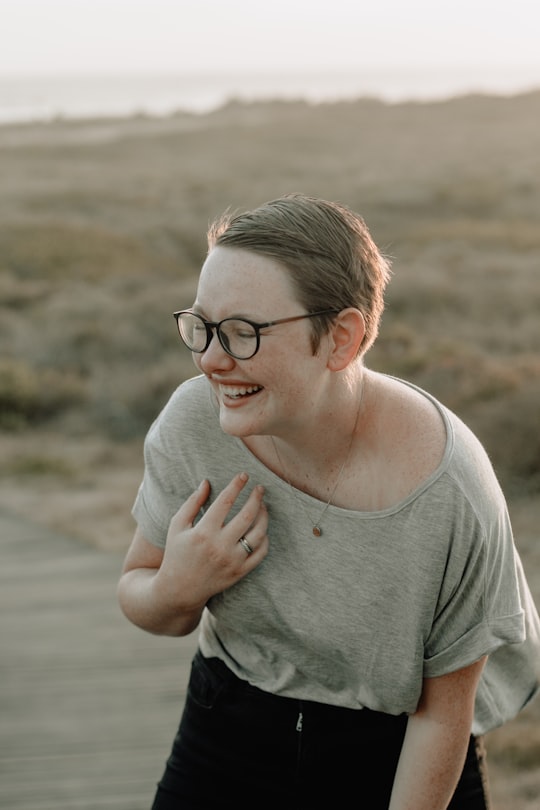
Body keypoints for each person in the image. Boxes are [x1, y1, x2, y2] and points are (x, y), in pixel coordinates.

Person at [118, 194, 540, 809]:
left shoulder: (448, 489)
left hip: (400, 751)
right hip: (229, 722)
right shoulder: (194, 423)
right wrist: (177, 587)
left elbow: (441, 715)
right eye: (202, 327)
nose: (210, 359)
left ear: (341, 338)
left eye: (242, 333)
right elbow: (143, 597)